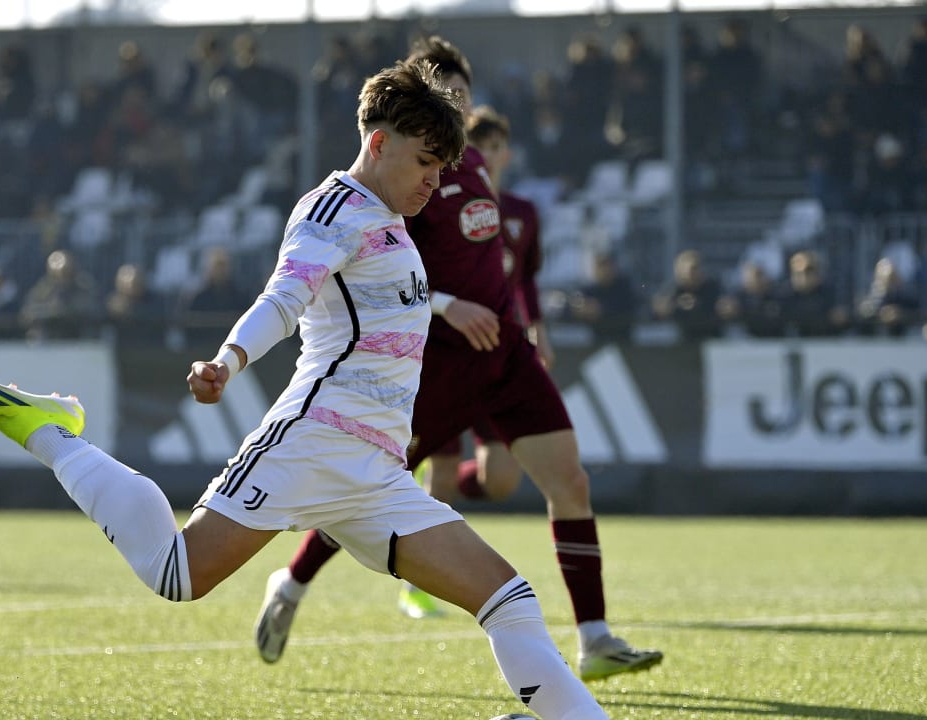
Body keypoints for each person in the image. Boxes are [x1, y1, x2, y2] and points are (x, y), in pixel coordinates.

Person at [0, 60, 612, 720]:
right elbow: (284, 297)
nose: (434, 181)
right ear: (378, 144)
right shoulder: (333, 208)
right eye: (425, 163)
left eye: (443, 168)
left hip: (377, 470)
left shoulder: (392, 219)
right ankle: (51, 434)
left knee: (509, 599)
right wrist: (229, 360)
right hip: (313, 441)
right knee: (177, 574)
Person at [257, 36, 663, 683]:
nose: (455, 107)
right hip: (433, 363)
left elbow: (495, 262)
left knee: (570, 481)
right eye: (442, 96)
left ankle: (593, 636)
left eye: (461, 96)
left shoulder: (471, 165)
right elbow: (385, 269)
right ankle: (293, 582)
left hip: (504, 355)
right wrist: (448, 307)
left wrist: (524, 323)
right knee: (370, 494)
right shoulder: (408, 182)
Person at [400, 105, 550, 619]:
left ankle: (421, 491)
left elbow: (523, 279)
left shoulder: (523, 214)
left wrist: (537, 327)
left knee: (502, 479)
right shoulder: (438, 199)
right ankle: (417, 583)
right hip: (445, 351)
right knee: (439, 468)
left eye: (496, 142)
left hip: (499, 350)